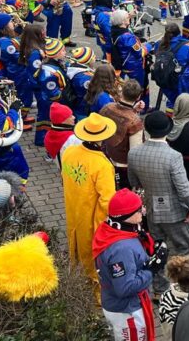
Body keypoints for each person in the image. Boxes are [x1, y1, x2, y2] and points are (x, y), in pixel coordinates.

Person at [127, 110, 189, 295]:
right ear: (168, 130)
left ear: (147, 129)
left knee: (157, 248)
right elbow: (183, 189)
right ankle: (184, 287)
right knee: (184, 247)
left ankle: (159, 289)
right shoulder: (173, 156)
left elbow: (134, 182)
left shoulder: (134, 153)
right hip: (175, 212)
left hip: (151, 209)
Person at [92, 189, 164, 341]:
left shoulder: (111, 228)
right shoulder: (121, 249)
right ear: (127, 216)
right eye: (139, 209)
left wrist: (150, 253)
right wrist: (151, 270)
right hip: (127, 312)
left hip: (121, 306)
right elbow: (125, 288)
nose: (143, 211)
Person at [60, 113, 118, 287]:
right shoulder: (102, 164)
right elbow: (107, 200)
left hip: (72, 209)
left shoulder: (69, 152)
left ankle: (75, 281)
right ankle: (95, 292)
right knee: (92, 259)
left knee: (75, 248)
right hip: (91, 218)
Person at [100, 78, 146, 189]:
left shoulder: (107, 108)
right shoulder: (135, 122)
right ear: (138, 97)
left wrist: (133, 111)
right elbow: (135, 153)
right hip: (123, 167)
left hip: (105, 157)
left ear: (122, 92)